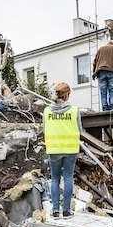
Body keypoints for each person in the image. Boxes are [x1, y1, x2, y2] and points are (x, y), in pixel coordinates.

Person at [43, 82, 83, 218]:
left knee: (54, 178)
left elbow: (44, 129)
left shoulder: (47, 111)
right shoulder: (75, 110)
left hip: (54, 150)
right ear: (68, 95)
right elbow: (80, 130)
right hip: (71, 149)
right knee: (68, 178)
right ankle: (66, 211)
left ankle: (55, 210)